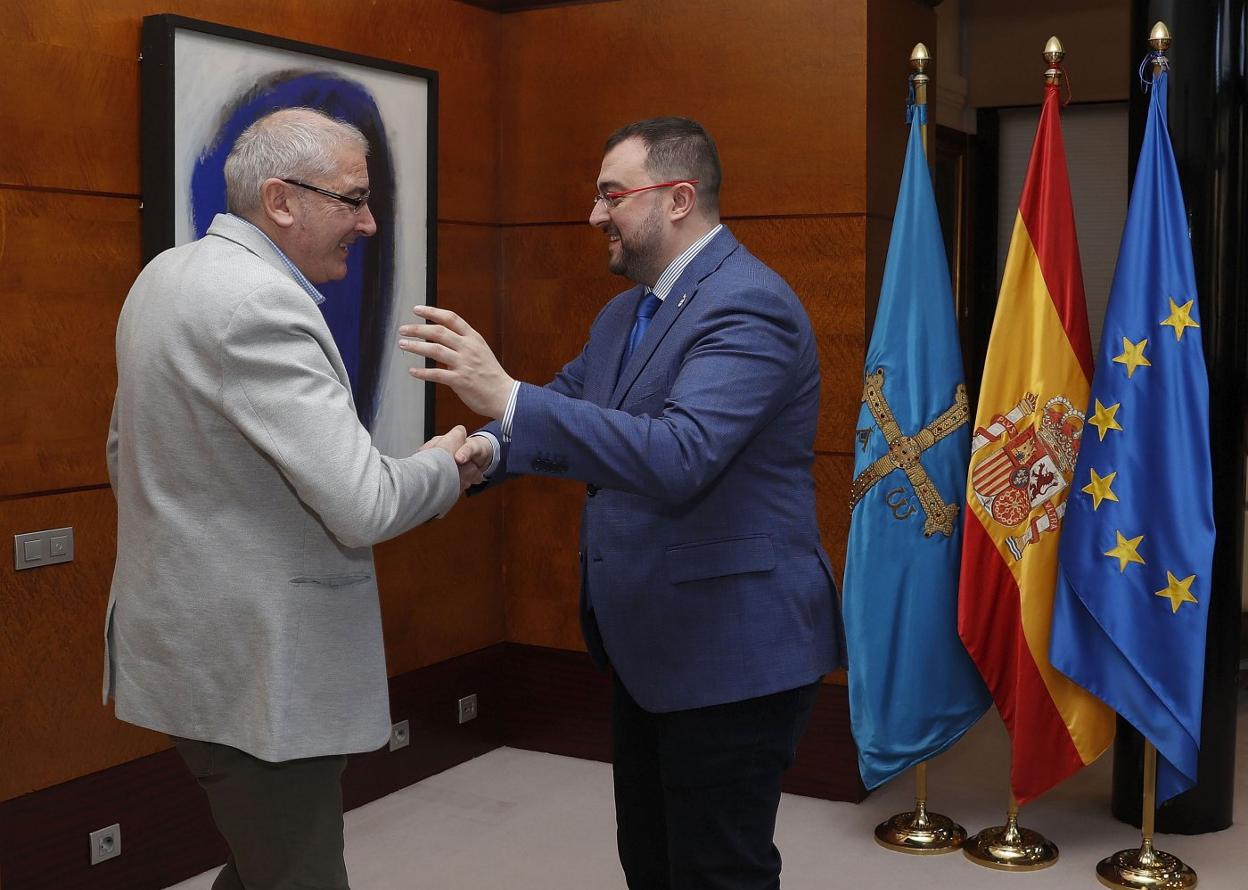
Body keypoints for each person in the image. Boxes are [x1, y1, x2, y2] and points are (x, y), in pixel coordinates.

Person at [399, 116, 843, 889]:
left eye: (611, 195)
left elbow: (679, 455)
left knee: (716, 870)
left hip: (731, 646)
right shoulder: (625, 313)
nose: (594, 215)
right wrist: (484, 452)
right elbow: (572, 407)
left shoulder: (749, 306)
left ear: (677, 198)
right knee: (652, 859)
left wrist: (506, 392)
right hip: (649, 643)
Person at [104, 107, 475, 890]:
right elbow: (365, 504)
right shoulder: (261, 306)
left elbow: (120, 453)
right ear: (281, 199)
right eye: (353, 200)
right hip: (256, 672)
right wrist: (450, 465)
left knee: (259, 863)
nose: (369, 223)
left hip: (195, 655)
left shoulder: (165, 276)